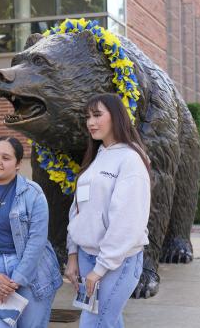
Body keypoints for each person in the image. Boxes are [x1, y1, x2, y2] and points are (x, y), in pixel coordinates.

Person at [64, 93, 151, 328]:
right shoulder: (97, 157)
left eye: (97, 115)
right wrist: (73, 254)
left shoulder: (130, 159)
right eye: (87, 117)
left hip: (117, 262)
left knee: (94, 323)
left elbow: (127, 221)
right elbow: (78, 209)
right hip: (86, 256)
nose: (90, 122)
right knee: (108, 323)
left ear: (116, 117)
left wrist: (101, 268)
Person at [0, 136, 63, 328]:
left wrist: (13, 281)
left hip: (32, 269)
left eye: (6, 158)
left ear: (18, 164)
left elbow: (37, 241)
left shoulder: (34, 193)